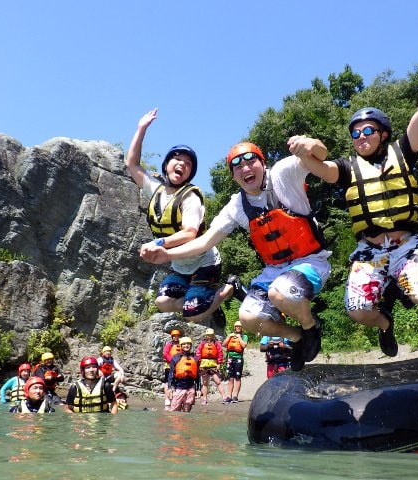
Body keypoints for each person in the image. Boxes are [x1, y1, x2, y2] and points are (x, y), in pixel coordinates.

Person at [141, 136, 336, 371]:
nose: (245, 168)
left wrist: (311, 144)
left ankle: (310, 326)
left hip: (310, 261)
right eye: (237, 166)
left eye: (251, 161)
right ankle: (297, 337)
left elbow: (321, 157)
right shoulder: (236, 206)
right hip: (274, 270)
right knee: (249, 318)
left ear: (263, 164)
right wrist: (167, 254)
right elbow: (204, 242)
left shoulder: (284, 172)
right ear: (234, 176)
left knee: (278, 293)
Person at [326, 39, 418, 357]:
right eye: (355, 133)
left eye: (367, 130)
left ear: (383, 133)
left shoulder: (404, 152)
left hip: (406, 248)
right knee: (357, 312)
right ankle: (386, 323)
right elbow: (321, 167)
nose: (360, 137)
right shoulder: (347, 168)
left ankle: (401, 282)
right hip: (370, 252)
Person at [126, 108, 234, 327]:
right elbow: (132, 164)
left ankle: (227, 289)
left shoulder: (190, 197)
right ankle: (206, 301)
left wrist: (158, 244)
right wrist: (141, 129)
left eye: (188, 164)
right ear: (166, 165)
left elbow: (190, 233)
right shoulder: (155, 189)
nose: (182, 164)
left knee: (192, 314)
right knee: (163, 303)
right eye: (177, 159)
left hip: (204, 262)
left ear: (189, 174)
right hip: (181, 266)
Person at [166, 336, 201, 412]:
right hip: (178, 387)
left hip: (190, 388)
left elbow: (198, 375)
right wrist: (170, 388)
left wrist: (198, 389)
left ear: (191, 345)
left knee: (186, 411)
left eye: (188, 344)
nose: (186, 346)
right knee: (174, 411)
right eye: (184, 344)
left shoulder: (195, 358)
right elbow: (171, 373)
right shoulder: (176, 358)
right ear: (181, 346)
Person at [195, 328, 226, 404]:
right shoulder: (202, 343)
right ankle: (204, 399)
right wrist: (198, 364)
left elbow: (220, 353)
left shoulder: (216, 343)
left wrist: (219, 363)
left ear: (213, 335)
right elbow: (198, 353)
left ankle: (224, 397)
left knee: (218, 381)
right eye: (208, 335)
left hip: (213, 365)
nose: (209, 337)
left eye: (211, 335)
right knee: (205, 383)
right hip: (204, 364)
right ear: (206, 335)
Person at [222, 321, 248, 403]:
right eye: (237, 326)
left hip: (239, 358)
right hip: (230, 358)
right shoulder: (230, 335)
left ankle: (235, 396)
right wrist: (229, 336)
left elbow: (243, 345)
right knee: (230, 378)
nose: (238, 328)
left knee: (237, 377)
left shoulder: (244, 336)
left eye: (239, 326)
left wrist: (239, 337)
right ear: (235, 327)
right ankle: (229, 396)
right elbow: (224, 344)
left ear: (242, 328)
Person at [162, 328, 183, 410]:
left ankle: (175, 398)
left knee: (176, 382)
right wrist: (172, 361)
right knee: (167, 382)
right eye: (174, 336)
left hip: (179, 366)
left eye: (177, 336)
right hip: (169, 365)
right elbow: (165, 353)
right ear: (172, 337)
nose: (176, 337)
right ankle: (167, 398)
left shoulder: (181, 344)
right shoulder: (169, 344)